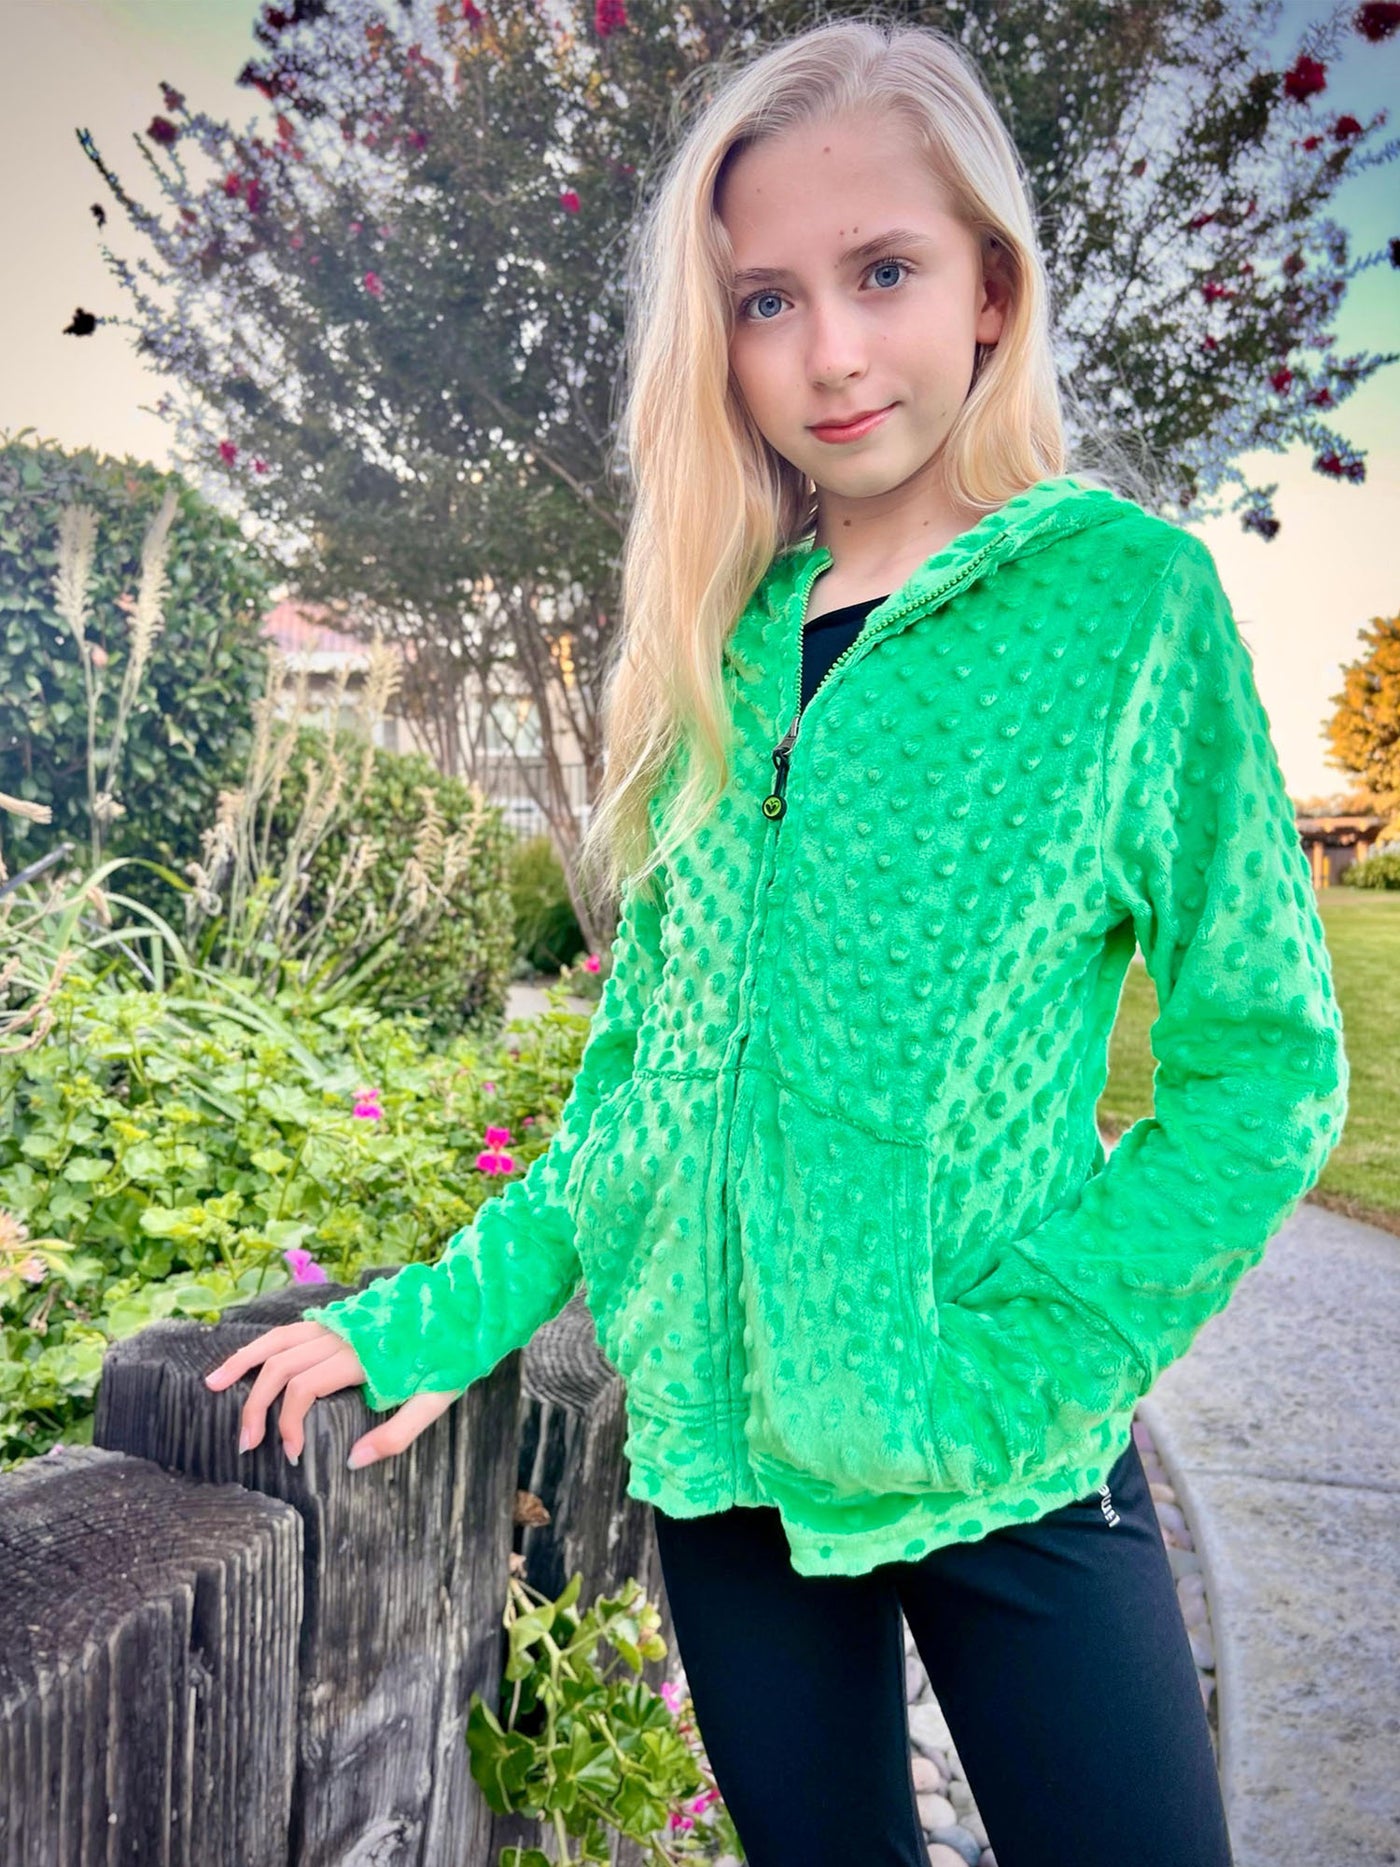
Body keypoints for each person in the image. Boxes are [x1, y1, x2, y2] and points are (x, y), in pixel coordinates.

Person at [204, 18, 1350, 1865]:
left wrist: (1034, 1360)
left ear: (991, 287)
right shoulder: (719, 639)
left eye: (883, 271)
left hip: (999, 1449)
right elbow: (644, 1087)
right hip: (725, 1458)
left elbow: (1266, 1070)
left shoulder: (1128, 607)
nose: (828, 352)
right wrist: (438, 1313)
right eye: (764, 299)